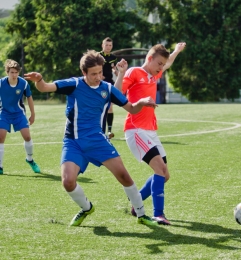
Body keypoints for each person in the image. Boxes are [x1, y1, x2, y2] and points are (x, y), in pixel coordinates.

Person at [24, 50, 158, 227]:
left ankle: (141, 214)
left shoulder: (107, 89)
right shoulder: (74, 84)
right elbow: (45, 87)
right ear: (84, 73)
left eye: (100, 72)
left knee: (124, 176)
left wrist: (140, 103)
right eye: (93, 74)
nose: (98, 77)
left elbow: (131, 109)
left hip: (97, 141)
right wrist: (40, 80)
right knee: (68, 181)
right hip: (73, 142)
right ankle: (86, 208)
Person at [121, 42, 186, 225]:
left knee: (165, 175)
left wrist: (176, 51)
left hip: (150, 131)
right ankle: (158, 214)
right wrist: (139, 100)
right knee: (159, 169)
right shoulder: (134, 72)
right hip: (136, 130)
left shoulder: (153, 74)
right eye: (158, 64)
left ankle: (136, 203)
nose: (161, 68)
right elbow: (118, 93)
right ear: (149, 59)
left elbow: (168, 62)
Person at [0, 59, 40, 175]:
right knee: (1, 137)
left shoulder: (24, 83)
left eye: (16, 72)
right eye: (12, 72)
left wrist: (33, 114)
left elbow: (29, 98)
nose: (14, 75)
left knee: (27, 137)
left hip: (18, 113)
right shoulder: (1, 83)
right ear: (7, 72)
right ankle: (0, 166)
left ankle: (30, 160)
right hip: (4, 113)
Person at [100, 37, 118, 139]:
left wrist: (118, 73)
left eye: (110, 45)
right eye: (106, 45)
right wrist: (98, 76)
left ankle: (110, 130)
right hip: (99, 83)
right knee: (101, 106)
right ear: (102, 45)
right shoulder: (98, 56)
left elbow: (114, 69)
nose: (108, 47)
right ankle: (99, 129)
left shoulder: (114, 57)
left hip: (109, 84)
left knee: (110, 106)